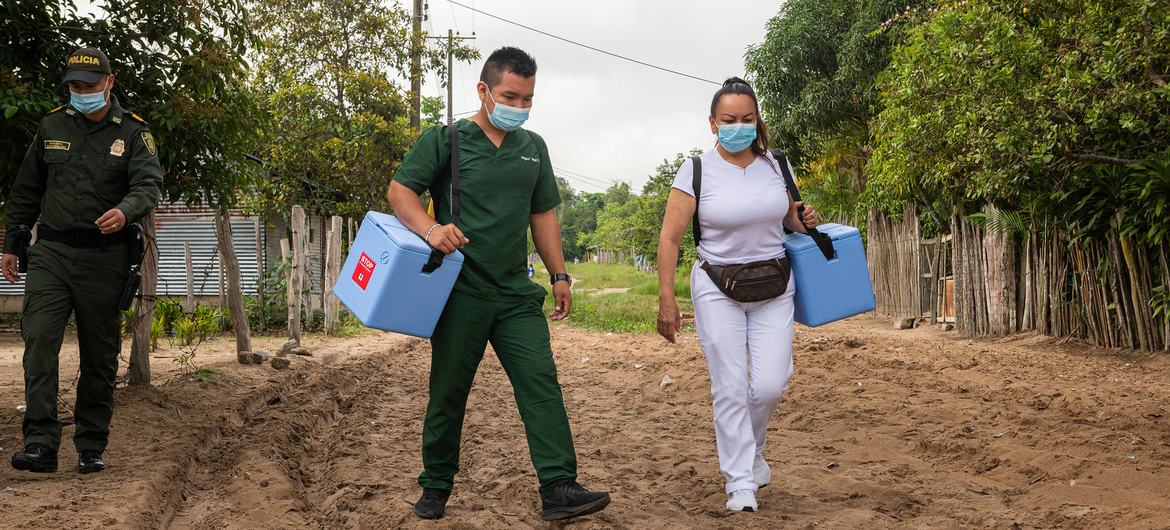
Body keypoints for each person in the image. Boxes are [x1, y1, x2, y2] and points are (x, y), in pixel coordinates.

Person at [386, 46, 610, 522]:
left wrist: (560, 273)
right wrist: (431, 229)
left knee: (540, 382)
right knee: (449, 391)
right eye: (512, 96)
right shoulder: (445, 140)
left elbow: (543, 214)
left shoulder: (534, 149)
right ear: (484, 91)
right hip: (459, 290)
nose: (521, 107)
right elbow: (400, 191)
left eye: (529, 99)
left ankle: (558, 486)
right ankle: (435, 486)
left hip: (515, 293)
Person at [655, 77, 819, 512]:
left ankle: (754, 448)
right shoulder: (696, 171)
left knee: (770, 384)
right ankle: (740, 482)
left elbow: (791, 222)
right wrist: (667, 298)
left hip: (775, 285)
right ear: (712, 123)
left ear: (757, 120)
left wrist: (805, 220)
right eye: (729, 120)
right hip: (716, 286)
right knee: (729, 387)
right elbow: (669, 239)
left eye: (747, 119)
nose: (738, 126)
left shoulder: (777, 165)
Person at [3, 47, 163, 474]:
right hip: (52, 253)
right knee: (39, 342)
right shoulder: (52, 124)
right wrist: (13, 243)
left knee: (99, 353)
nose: (81, 92)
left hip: (104, 258)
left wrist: (127, 210)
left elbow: (149, 185)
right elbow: (25, 190)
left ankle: (91, 444)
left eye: (89, 86)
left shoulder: (133, 133)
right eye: (74, 86)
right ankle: (40, 443)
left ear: (109, 84)